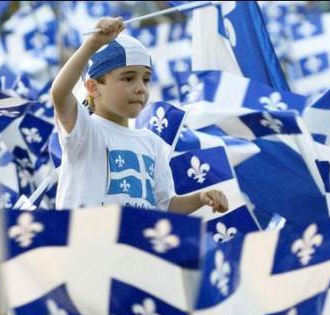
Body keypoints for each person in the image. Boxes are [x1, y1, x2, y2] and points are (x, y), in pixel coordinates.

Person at [51, 16, 228, 215]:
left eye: (146, 79)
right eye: (128, 78)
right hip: (87, 242)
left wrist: (200, 198)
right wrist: (93, 43)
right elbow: (59, 93)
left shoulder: (152, 143)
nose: (140, 88)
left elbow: (164, 206)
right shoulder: (85, 130)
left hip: (130, 245)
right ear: (93, 87)